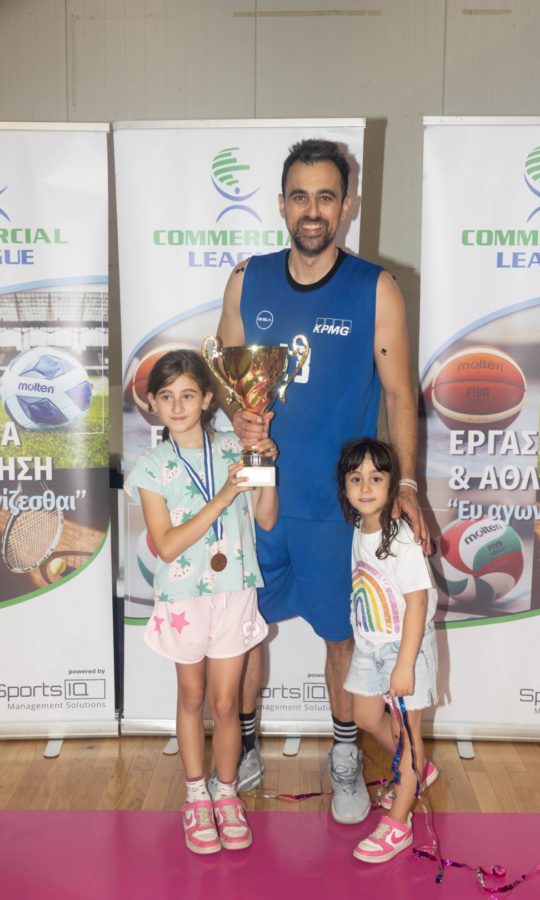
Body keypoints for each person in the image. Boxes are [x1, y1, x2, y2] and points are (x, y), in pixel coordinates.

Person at [216, 138, 431, 823]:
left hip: (339, 507)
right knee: (246, 630)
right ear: (282, 205)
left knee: (343, 637)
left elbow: (398, 393)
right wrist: (236, 413)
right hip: (258, 493)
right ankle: (245, 742)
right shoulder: (247, 280)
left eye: (327, 197)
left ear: (347, 205)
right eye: (301, 197)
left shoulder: (375, 287)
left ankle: (343, 754)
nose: (313, 211)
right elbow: (227, 380)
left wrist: (406, 485)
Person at [125, 350, 277, 855]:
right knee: (191, 697)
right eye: (166, 396)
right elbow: (167, 545)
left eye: (188, 395)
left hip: (235, 589)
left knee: (226, 703)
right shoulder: (150, 468)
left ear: (208, 399)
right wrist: (222, 496)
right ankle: (196, 797)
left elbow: (266, 518)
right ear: (152, 403)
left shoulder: (236, 447)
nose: (177, 405)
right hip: (184, 597)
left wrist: (266, 466)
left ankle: (226, 794)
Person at [337, 437, 438, 863]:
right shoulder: (360, 529)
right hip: (370, 645)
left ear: (393, 483)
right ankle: (418, 768)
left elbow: (417, 602)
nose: (365, 487)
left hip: (404, 648)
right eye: (355, 478)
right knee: (364, 716)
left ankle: (399, 822)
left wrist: (404, 665)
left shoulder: (401, 537)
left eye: (376, 478)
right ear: (344, 485)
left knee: (408, 736)